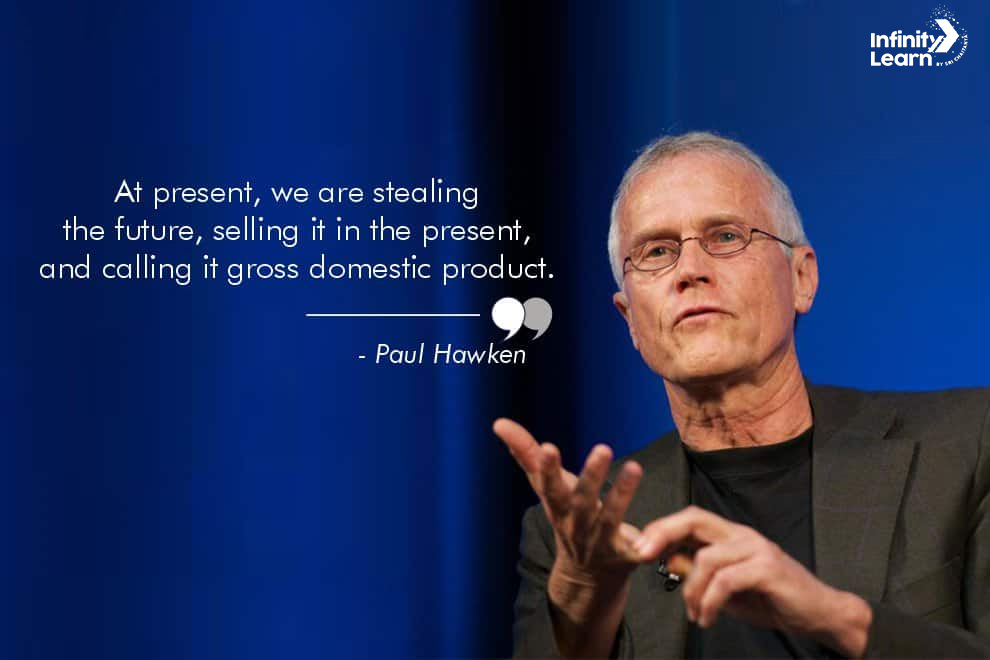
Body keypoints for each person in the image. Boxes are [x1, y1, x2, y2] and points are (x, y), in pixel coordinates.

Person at [494, 132, 990, 658]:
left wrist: (834, 615)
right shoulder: (578, 535)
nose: (690, 271)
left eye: (726, 236)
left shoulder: (966, 446)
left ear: (801, 277)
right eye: (657, 251)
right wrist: (581, 598)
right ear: (631, 320)